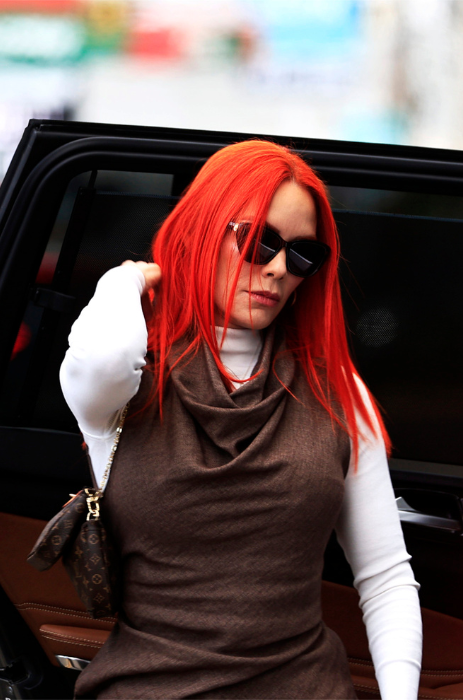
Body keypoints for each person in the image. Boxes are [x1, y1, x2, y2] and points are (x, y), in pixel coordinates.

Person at [60, 140, 422, 698]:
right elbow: (103, 359)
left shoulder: (336, 390)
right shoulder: (131, 381)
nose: (278, 269)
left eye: (303, 255)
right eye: (258, 242)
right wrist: (124, 281)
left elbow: (385, 577)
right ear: (203, 230)